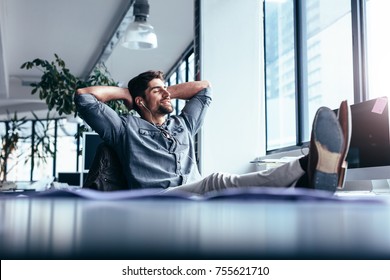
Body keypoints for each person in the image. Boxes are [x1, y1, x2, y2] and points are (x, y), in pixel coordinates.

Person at [75, 70, 350, 195]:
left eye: (166, 88)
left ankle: (307, 181)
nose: (167, 93)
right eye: (157, 90)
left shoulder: (182, 124)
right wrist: (126, 93)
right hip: (158, 200)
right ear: (140, 101)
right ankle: (307, 165)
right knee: (216, 180)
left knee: (237, 197)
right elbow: (84, 98)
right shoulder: (124, 128)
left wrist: (163, 90)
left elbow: (205, 88)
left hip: (193, 193)